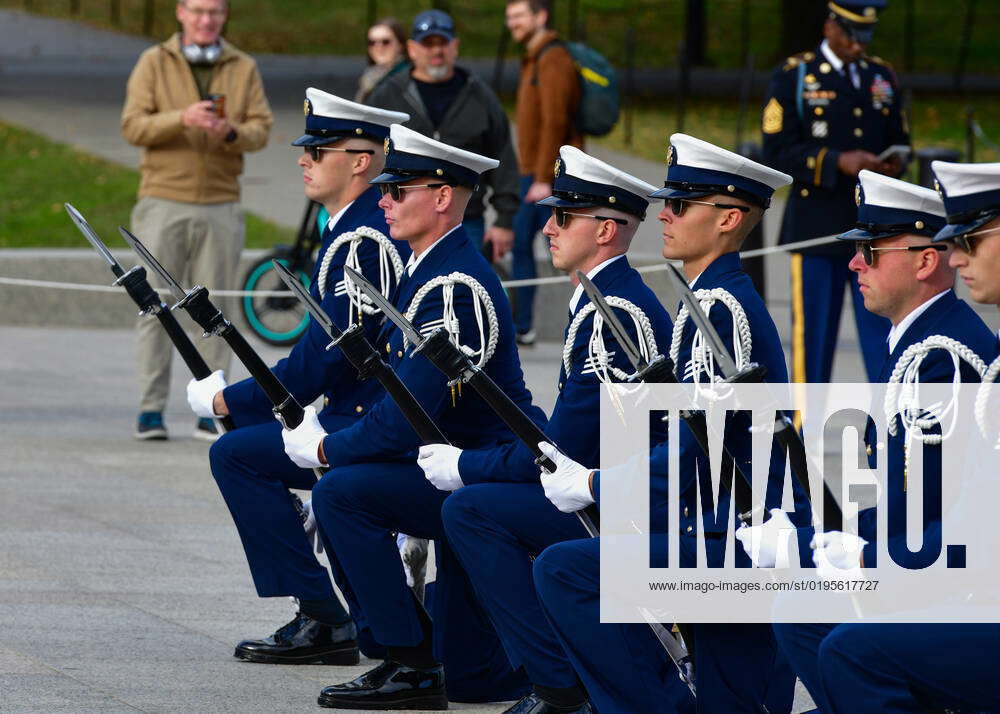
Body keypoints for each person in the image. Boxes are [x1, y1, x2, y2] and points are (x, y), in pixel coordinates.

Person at [532, 134, 802, 714]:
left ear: (729, 219)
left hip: (731, 531)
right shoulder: (704, 299)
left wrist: (596, 485)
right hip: (713, 518)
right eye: (667, 202)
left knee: (568, 571)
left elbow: (699, 448)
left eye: (681, 205)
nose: (666, 215)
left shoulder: (721, 309)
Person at [280, 124, 546, 709]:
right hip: (445, 465)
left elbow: (407, 412)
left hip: (483, 469)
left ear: (444, 197)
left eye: (399, 191)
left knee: (343, 492)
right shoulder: (424, 271)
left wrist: (327, 449)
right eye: (385, 189)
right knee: (346, 490)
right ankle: (408, 654)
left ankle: (412, 659)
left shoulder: (452, 287)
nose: (383, 200)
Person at [417, 146, 684, 714]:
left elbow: (568, 447)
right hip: (609, 487)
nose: (549, 225)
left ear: (607, 230)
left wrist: (465, 465)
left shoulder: (614, 312)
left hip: (618, 505)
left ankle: (559, 683)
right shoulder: (602, 299)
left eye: (565, 217)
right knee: (479, 505)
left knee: (471, 510)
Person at [185, 89, 410, 666]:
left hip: (368, 424)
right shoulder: (349, 228)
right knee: (239, 454)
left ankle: (328, 616)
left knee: (236, 453)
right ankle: (324, 614)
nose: (304, 159)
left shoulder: (362, 238)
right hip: (351, 412)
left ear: (362, 160)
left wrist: (228, 401)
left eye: (321, 148)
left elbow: (321, 361)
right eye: (306, 148)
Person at [768, 168, 998, 713]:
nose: (853, 264)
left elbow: (942, 511)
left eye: (870, 251)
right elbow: (923, 501)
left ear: (922, 262)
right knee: (798, 607)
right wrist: (830, 539)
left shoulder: (942, 357)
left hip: (965, 580)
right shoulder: (918, 347)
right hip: (950, 560)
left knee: (851, 648)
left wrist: (866, 557)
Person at [121, 0, 273, 441]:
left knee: (214, 311)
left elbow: (261, 129)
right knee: (153, 307)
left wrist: (229, 132)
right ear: (180, 13)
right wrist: (180, 119)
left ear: (225, 16)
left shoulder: (243, 66)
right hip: (163, 199)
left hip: (221, 203)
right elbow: (132, 126)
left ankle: (213, 407)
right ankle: (151, 408)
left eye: (216, 12)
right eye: (198, 11)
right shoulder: (153, 61)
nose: (207, 20)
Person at [762, 0, 909, 384]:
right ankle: (803, 436)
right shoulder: (797, 76)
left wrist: (895, 162)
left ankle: (887, 435)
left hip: (873, 231)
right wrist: (835, 161)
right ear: (830, 26)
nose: (860, 46)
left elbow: (899, 136)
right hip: (817, 229)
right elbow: (778, 151)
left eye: (866, 36)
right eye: (852, 35)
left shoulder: (881, 76)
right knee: (813, 345)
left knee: (884, 341)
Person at [366, 9, 518, 262]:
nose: (436, 51)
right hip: (401, 221)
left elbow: (503, 156)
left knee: (462, 293)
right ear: (412, 48)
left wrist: (504, 219)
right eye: (428, 43)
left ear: (455, 46)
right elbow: (367, 154)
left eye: (443, 43)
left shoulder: (479, 95)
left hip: (464, 221)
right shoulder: (388, 94)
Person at [506, 0, 583, 345]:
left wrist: (541, 179)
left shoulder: (553, 58)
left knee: (555, 247)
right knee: (537, 244)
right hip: (536, 172)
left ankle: (526, 325)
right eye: (510, 17)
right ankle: (524, 325)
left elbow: (555, 121)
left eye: (520, 16)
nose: (513, 23)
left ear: (541, 16)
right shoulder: (535, 57)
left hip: (547, 175)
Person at [355, 17, 409, 104]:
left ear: (400, 45)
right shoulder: (369, 77)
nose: (378, 47)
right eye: (372, 42)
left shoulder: (407, 77)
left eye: (385, 42)